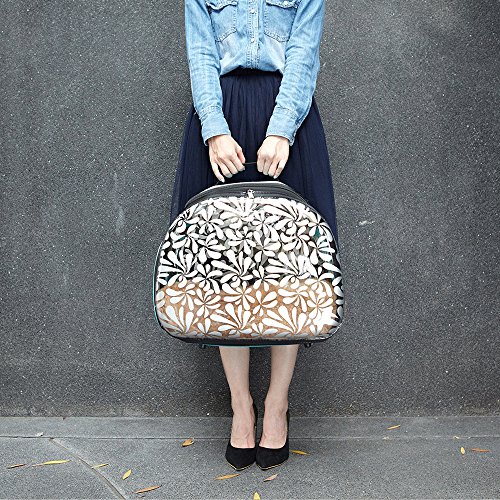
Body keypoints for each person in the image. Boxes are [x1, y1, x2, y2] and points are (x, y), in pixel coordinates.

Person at [169, 0, 339, 470]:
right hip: (221, 122)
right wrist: (213, 130)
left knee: (291, 267)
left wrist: (282, 130)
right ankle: (241, 406)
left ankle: (277, 405)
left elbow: (304, 52)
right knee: (222, 267)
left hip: (288, 119)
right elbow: (200, 53)